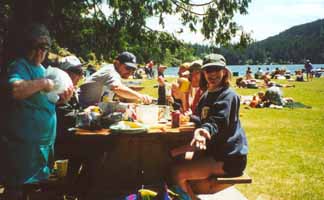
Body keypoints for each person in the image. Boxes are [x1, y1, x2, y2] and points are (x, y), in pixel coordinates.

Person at [2, 24, 73, 199]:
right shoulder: (19, 66)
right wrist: (43, 83)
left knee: (36, 190)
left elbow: (48, 101)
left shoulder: (44, 70)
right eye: (36, 46)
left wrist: (63, 98)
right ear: (27, 46)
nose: (40, 51)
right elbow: (16, 90)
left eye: (45, 47)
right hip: (22, 148)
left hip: (43, 146)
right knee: (17, 190)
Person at [172, 54, 248, 200]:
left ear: (224, 72)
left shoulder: (228, 95)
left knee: (176, 172)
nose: (212, 74)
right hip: (215, 152)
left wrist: (203, 130)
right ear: (203, 73)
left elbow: (217, 121)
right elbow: (203, 119)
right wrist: (190, 118)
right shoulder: (207, 95)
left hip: (230, 158)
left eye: (216, 69)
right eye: (208, 70)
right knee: (174, 158)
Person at [79, 51, 152, 107]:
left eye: (133, 69)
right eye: (128, 68)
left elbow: (110, 96)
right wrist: (140, 96)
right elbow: (117, 88)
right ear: (117, 63)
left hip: (91, 108)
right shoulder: (112, 71)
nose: (130, 72)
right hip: (82, 109)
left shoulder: (112, 70)